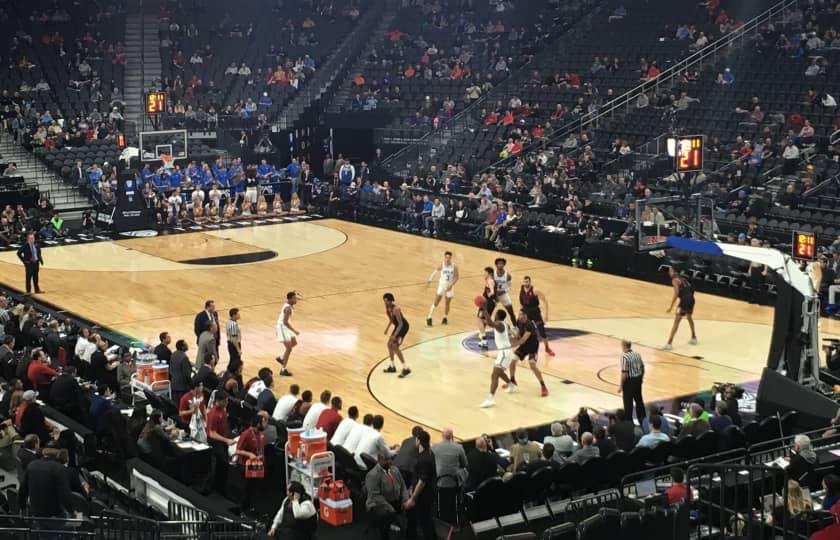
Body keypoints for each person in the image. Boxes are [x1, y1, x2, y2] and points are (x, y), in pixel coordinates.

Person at [478, 297, 519, 408]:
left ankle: (491, 399)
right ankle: (512, 385)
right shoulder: (505, 325)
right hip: (505, 352)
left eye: (495, 314)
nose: (494, 316)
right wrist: (483, 316)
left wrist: (485, 309)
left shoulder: (500, 325)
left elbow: (491, 323)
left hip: (505, 353)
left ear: (497, 316)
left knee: (495, 374)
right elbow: (490, 322)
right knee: (499, 372)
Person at [366, 451, 411, 540]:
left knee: (412, 506)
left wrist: (406, 500)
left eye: (390, 459)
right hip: (378, 503)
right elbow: (375, 496)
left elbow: (403, 486)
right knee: (385, 514)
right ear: (379, 460)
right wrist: (389, 507)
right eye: (386, 460)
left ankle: (410, 534)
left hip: (394, 500)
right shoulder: (372, 475)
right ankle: (384, 536)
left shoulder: (395, 470)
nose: (389, 461)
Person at [19, 450, 76, 519]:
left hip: (35, 512)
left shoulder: (31, 465)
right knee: (78, 522)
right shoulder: (59, 468)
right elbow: (64, 494)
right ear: (57, 457)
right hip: (55, 514)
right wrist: (72, 512)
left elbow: (22, 489)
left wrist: (22, 508)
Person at [507, 308, 549, 397]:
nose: (520, 316)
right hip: (524, 346)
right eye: (519, 314)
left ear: (525, 316)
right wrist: (512, 337)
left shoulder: (529, 325)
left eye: (521, 314)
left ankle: (543, 386)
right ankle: (513, 380)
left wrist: (513, 344)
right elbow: (519, 336)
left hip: (532, 346)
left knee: (532, 365)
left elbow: (522, 340)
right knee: (512, 361)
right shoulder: (519, 321)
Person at [235, 412, 267, 515]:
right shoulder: (246, 434)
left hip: (257, 465)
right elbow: (238, 450)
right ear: (258, 424)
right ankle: (241, 510)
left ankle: (249, 507)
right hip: (245, 466)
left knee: (253, 489)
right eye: (264, 422)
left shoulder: (261, 434)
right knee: (245, 489)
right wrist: (249, 454)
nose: (266, 424)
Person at [406, 430, 436, 540]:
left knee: (425, 522)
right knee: (425, 521)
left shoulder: (424, 458)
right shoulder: (427, 453)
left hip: (424, 496)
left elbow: (422, 482)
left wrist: (413, 498)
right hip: (424, 494)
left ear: (419, 441)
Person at [519, 276, 555, 356]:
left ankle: (547, 348)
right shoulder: (521, 290)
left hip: (535, 313)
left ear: (530, 282)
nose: (526, 283)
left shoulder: (535, 290)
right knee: (524, 331)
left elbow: (545, 301)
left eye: (527, 282)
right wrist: (520, 314)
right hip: (526, 313)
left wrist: (546, 315)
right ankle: (523, 348)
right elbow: (521, 304)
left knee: (542, 332)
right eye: (524, 282)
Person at [664, 268, 698, 349]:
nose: (669, 273)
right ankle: (694, 338)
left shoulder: (675, 280)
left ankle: (669, 343)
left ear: (675, 272)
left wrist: (671, 306)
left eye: (670, 271)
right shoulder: (684, 279)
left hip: (685, 300)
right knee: (689, 317)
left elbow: (676, 293)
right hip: (692, 299)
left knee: (676, 322)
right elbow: (692, 289)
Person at [426, 251, 459, 326]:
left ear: (451, 258)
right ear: (444, 257)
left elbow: (457, 277)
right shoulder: (442, 265)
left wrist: (451, 285)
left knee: (447, 303)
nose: (447, 259)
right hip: (442, 286)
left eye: (449, 258)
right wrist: (430, 279)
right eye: (446, 257)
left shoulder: (454, 266)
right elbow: (435, 272)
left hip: (450, 287)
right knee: (436, 302)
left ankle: (445, 317)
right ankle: (429, 317)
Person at [382, 293, 411, 377]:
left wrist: (395, 335)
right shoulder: (387, 308)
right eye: (384, 301)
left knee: (394, 346)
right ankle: (392, 366)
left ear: (391, 300)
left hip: (403, 327)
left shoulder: (396, 309)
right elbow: (392, 320)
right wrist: (387, 328)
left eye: (386, 301)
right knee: (389, 344)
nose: (385, 302)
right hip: (398, 326)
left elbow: (401, 324)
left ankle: (406, 368)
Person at [618, 339, 646, 422]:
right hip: (638, 380)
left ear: (623, 346)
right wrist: (641, 378)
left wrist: (621, 385)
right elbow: (642, 367)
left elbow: (624, 373)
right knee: (639, 401)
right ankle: (643, 419)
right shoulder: (637, 354)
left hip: (629, 382)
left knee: (628, 404)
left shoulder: (624, 357)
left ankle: (629, 422)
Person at [276, 291, 300, 377]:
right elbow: (285, 322)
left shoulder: (289, 305)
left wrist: (295, 292)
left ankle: (281, 358)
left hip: (286, 326)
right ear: (290, 299)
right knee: (289, 348)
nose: (296, 300)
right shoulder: (288, 309)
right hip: (282, 327)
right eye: (295, 298)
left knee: (294, 342)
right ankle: (283, 370)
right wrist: (294, 330)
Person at [476, 266, 499, 350]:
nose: (483, 274)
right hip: (489, 303)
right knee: (484, 320)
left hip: (487, 303)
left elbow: (492, 291)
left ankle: (484, 339)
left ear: (489, 274)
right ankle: (483, 338)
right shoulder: (490, 280)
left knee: (479, 319)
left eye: (485, 273)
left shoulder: (490, 281)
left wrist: (487, 297)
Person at [169, 339, 193, 404]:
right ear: (183, 347)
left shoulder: (173, 354)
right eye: (186, 344)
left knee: (175, 405)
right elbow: (187, 374)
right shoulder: (184, 357)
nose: (187, 345)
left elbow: (170, 370)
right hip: (182, 387)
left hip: (174, 384)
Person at [226, 307, 242, 372]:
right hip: (233, 345)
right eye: (238, 314)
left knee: (233, 360)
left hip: (231, 344)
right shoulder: (233, 324)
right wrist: (238, 350)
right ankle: (230, 372)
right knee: (235, 361)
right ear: (234, 315)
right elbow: (234, 338)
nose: (239, 315)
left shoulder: (229, 322)